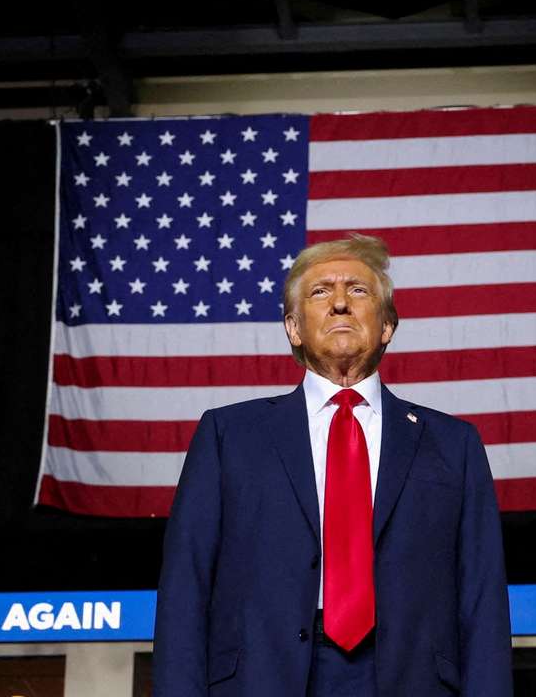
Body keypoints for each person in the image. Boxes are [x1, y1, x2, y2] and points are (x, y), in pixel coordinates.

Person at [153, 234, 512, 697]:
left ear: (387, 326)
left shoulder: (452, 444)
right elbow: (186, 587)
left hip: (409, 678)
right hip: (263, 678)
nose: (340, 302)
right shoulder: (229, 437)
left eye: (358, 291)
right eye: (321, 291)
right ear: (293, 328)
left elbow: (483, 600)